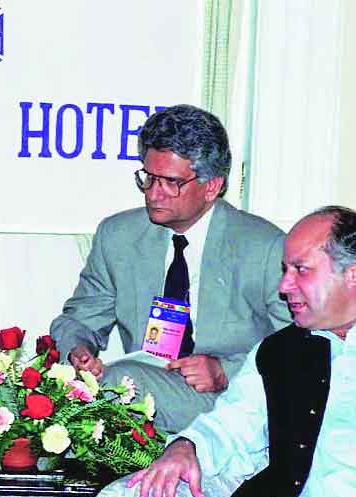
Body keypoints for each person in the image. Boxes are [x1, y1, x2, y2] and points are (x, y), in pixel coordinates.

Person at [92, 206, 356, 497]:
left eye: (301, 270)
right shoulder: (278, 352)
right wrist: (186, 446)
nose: (284, 285)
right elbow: (233, 423)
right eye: (285, 270)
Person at [50, 104, 291, 432]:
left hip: (234, 402)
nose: (154, 193)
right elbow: (78, 320)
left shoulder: (264, 246)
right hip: (147, 391)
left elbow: (301, 346)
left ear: (212, 186)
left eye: (171, 182)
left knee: (118, 383)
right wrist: (77, 351)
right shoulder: (118, 236)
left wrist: (226, 370)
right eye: (149, 178)